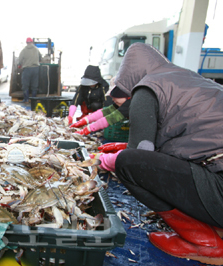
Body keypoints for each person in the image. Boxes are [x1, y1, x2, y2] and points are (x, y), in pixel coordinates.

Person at [95, 42, 223, 265]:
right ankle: (214, 226)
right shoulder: (185, 78)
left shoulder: (147, 89)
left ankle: (205, 242)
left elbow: (140, 157)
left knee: (128, 164)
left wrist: (107, 160)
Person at [18, 37, 41, 103]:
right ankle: (33, 100)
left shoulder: (24, 50)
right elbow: (40, 57)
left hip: (27, 69)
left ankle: (26, 99)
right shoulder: (36, 49)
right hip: (35, 69)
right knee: (34, 85)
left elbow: (20, 60)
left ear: (26, 43)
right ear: (32, 42)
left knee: (25, 85)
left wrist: (20, 64)